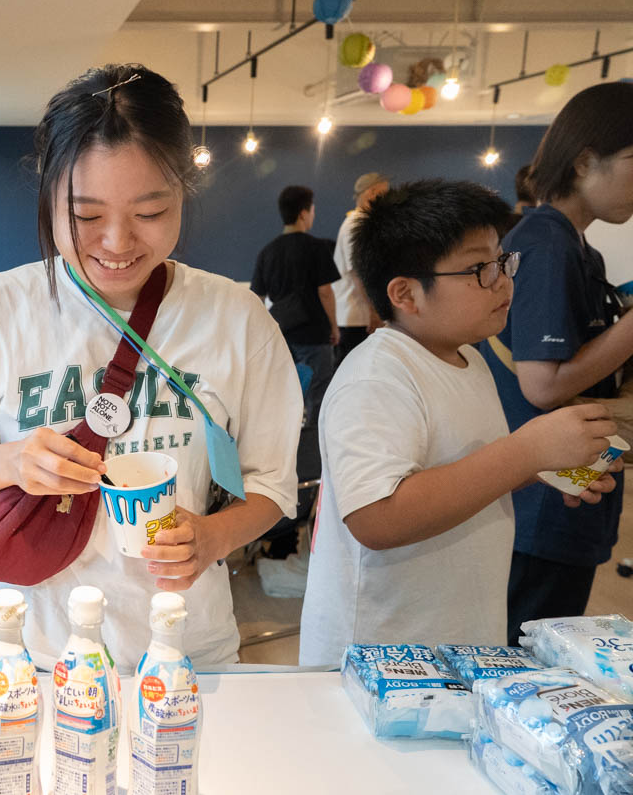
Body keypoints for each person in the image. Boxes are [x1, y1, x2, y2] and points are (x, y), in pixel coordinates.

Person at [0, 64, 303, 672]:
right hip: (26, 647)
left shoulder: (236, 318)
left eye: (150, 211)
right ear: (48, 197)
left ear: (183, 193)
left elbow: (271, 483)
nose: (117, 243)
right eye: (86, 216)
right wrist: (13, 461)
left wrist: (213, 538)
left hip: (181, 649)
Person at [299, 179, 620, 666]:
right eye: (479, 269)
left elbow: (463, 471)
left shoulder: (470, 360)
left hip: (453, 638)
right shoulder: (377, 374)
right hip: (379, 657)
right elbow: (376, 517)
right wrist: (525, 452)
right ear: (406, 293)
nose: (503, 281)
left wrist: (541, 468)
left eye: (503, 262)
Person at [478, 81, 633, 642]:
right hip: (546, 500)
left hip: (569, 490)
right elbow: (542, 384)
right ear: (585, 161)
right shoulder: (546, 244)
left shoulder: (575, 246)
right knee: (526, 663)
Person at [250, 184, 340, 432]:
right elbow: (325, 291)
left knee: (285, 392)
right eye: (312, 210)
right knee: (318, 393)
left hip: (282, 334)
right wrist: (334, 326)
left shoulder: (267, 252)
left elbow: (256, 297)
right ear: (303, 213)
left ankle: (289, 443)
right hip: (314, 333)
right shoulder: (317, 247)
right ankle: (315, 447)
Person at [331, 172, 389, 365]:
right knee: (354, 368)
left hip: (359, 316)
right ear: (372, 192)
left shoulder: (361, 223)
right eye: (385, 193)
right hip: (355, 318)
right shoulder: (355, 225)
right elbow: (358, 272)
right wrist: (374, 311)